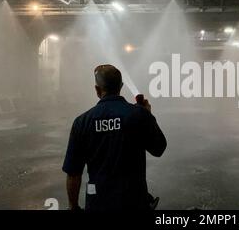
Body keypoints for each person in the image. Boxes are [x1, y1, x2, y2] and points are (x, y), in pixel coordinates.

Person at [62, 64, 167, 211]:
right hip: (134, 203)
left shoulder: (82, 122)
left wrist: (73, 207)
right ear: (121, 86)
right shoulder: (138, 115)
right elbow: (159, 149)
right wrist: (148, 115)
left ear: (97, 90)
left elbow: (73, 173)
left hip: (98, 203)